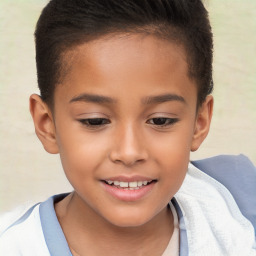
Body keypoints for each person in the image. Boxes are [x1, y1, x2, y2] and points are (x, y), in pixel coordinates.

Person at [0, 0, 255, 255]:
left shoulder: (239, 212)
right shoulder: (12, 245)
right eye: (95, 121)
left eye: (160, 120)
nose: (129, 152)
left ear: (199, 123)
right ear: (47, 125)